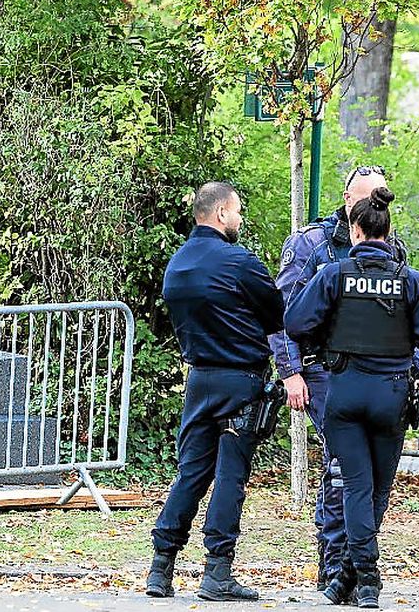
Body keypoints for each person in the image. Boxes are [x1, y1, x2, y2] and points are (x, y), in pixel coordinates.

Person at [267, 165, 419, 589]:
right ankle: (339, 568)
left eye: (378, 197)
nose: (369, 205)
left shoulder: (394, 255)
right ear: (347, 200)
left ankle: (348, 571)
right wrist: (290, 371)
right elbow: (284, 314)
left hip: (377, 381)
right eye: (363, 198)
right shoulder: (313, 244)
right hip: (327, 373)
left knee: (367, 482)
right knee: (345, 475)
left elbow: (409, 327)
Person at [146, 182, 284, 602]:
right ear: (221, 213)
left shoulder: (177, 265)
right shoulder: (239, 262)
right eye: (237, 211)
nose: (240, 219)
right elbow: (276, 313)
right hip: (240, 379)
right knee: (230, 474)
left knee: (191, 472)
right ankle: (217, 571)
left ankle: (160, 567)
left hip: (199, 379)